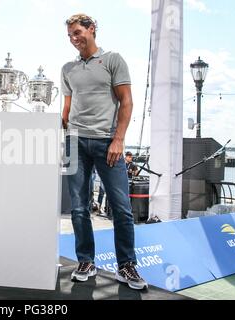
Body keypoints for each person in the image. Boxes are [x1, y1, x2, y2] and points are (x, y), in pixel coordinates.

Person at [61, 14, 147, 290]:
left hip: (107, 142)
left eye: (78, 32)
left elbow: (126, 101)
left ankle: (127, 266)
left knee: (121, 208)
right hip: (75, 142)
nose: (74, 39)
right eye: (70, 35)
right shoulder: (67, 68)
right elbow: (67, 108)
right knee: (78, 207)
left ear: (92, 29)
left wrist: (119, 139)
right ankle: (86, 261)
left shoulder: (112, 60)